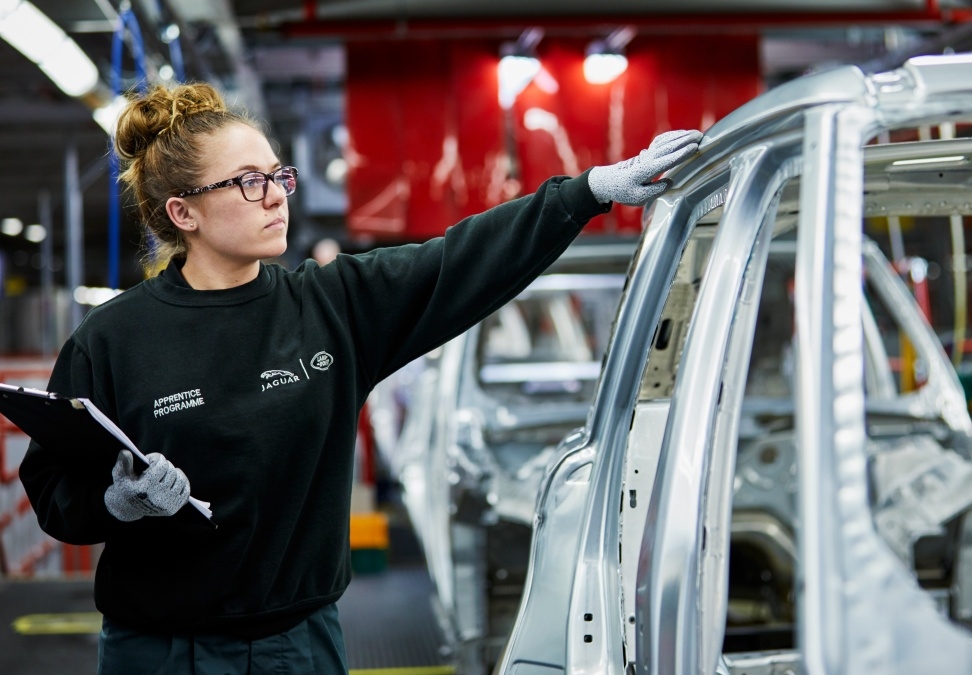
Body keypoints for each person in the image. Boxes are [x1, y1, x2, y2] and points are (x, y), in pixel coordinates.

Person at [18, 82, 700, 674]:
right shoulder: (114, 339)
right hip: (159, 651)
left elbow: (459, 260)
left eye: (277, 175)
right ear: (183, 212)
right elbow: (53, 488)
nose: (275, 196)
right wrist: (118, 502)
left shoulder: (331, 307)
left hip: (298, 646)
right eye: (248, 182)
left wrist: (587, 193)